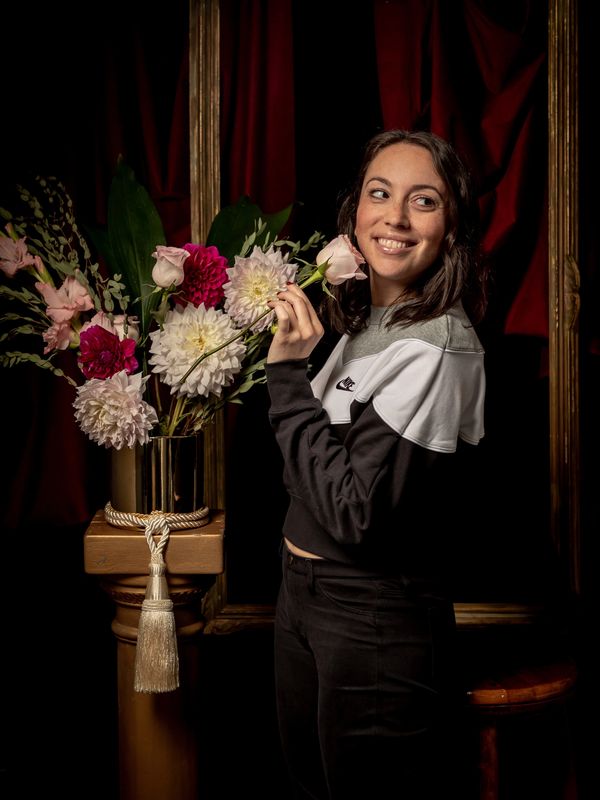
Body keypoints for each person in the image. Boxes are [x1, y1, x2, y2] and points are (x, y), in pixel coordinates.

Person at [265, 129, 488, 799]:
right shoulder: (368, 324)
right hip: (304, 598)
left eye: (423, 201)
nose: (393, 218)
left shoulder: (437, 347)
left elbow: (355, 514)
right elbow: (313, 472)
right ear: (353, 214)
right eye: (379, 194)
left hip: (372, 615)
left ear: (451, 227)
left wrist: (285, 375)